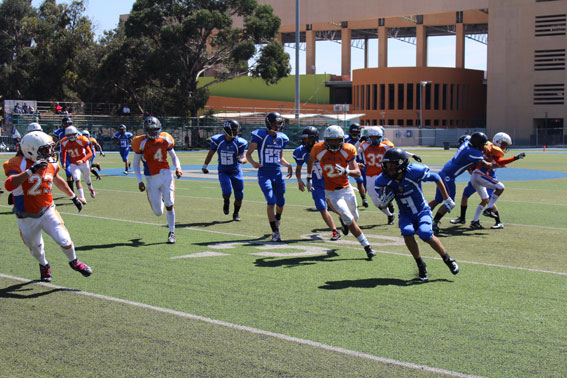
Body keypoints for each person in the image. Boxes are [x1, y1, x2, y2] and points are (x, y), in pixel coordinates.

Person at [3, 131, 92, 282]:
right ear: (30, 150)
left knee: (65, 240)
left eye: (49, 148)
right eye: (44, 150)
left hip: (47, 210)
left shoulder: (50, 163)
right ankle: (44, 265)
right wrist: (30, 171)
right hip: (26, 216)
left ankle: (74, 261)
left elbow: (56, 179)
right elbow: (9, 184)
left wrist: (73, 196)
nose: (49, 152)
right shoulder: (18, 163)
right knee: (36, 249)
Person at [375, 148, 458, 281]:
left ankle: (448, 260)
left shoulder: (414, 172)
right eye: (387, 165)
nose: (388, 169)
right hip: (405, 213)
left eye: (392, 165)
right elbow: (382, 204)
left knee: (425, 233)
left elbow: (436, 177)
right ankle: (420, 265)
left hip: (422, 211)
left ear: (401, 164)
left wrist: (447, 198)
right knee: (407, 232)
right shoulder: (383, 180)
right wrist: (384, 201)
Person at [307, 125, 376, 260]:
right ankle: (367, 246)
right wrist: (309, 178)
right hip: (331, 192)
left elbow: (357, 173)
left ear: (342, 140)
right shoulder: (318, 149)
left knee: (354, 218)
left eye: (336, 140)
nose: (333, 143)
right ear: (326, 140)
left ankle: (344, 222)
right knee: (348, 217)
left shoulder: (348, 149)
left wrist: (346, 171)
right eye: (331, 140)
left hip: (347, 189)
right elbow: (310, 160)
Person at [428, 132, 497, 235]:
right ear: (477, 144)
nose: (484, 146)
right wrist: (496, 163)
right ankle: (434, 223)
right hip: (448, 177)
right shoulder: (472, 152)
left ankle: (418, 217)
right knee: (450, 203)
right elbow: (486, 165)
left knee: (438, 199)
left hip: (444, 173)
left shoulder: (467, 144)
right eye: (482, 144)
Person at [132, 116, 183, 244]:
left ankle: (172, 232)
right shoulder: (141, 142)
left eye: (155, 129)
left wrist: (178, 168)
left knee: (169, 204)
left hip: (166, 174)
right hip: (151, 178)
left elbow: (174, 156)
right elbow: (135, 163)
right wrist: (139, 180)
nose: (153, 132)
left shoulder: (165, 138)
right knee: (158, 212)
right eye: (150, 130)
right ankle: (158, 198)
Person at [245, 111, 294, 242]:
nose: (278, 126)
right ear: (269, 123)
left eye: (279, 123)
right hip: (264, 173)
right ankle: (275, 232)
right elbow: (248, 154)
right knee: (271, 201)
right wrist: (254, 163)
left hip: (277, 173)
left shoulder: (282, 137)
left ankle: (277, 219)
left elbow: (280, 158)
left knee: (281, 202)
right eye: (275, 123)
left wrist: (288, 165)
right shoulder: (260, 135)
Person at [467, 132, 526, 230]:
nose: (504, 147)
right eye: (503, 144)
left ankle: (475, 222)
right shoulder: (490, 147)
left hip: (476, 176)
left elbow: (499, 161)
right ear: (498, 142)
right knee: (500, 188)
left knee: (485, 199)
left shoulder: (491, 149)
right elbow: (493, 153)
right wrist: (515, 158)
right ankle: (489, 210)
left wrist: (515, 158)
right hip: (480, 175)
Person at [294, 126, 341, 241]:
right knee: (321, 207)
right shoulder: (300, 151)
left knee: (336, 206)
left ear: (315, 138)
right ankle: (334, 231)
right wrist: (300, 180)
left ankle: (344, 221)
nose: (306, 142)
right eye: (304, 139)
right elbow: (298, 168)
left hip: (330, 181)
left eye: (308, 139)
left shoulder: (324, 146)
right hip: (316, 183)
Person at [201, 120, 248, 221]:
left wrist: (241, 160)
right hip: (223, 171)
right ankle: (226, 201)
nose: (236, 132)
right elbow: (210, 154)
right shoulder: (218, 140)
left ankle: (236, 213)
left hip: (236, 171)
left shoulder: (239, 142)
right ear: (228, 130)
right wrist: (205, 166)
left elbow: (244, 157)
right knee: (227, 191)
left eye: (237, 130)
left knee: (239, 194)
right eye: (234, 130)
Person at [60, 126, 95, 203]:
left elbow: (90, 153)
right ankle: (82, 197)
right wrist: (65, 162)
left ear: (76, 134)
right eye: (69, 135)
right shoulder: (64, 141)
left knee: (87, 180)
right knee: (77, 179)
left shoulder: (82, 140)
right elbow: (63, 152)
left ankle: (90, 188)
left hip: (84, 163)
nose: (71, 137)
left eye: (72, 134)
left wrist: (83, 160)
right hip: (74, 164)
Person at [344, 123, 368, 208]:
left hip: (363, 164)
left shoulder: (364, 140)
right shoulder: (347, 141)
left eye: (356, 132)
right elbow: (353, 150)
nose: (355, 134)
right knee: (359, 180)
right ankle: (364, 198)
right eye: (353, 132)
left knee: (365, 182)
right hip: (352, 164)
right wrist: (360, 141)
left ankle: (363, 197)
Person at [52, 116, 75, 193]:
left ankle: (71, 184)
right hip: (64, 155)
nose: (67, 125)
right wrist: (51, 150)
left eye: (69, 123)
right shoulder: (59, 132)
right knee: (68, 173)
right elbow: (55, 141)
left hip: (74, 155)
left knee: (74, 174)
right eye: (66, 123)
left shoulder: (75, 132)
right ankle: (72, 192)